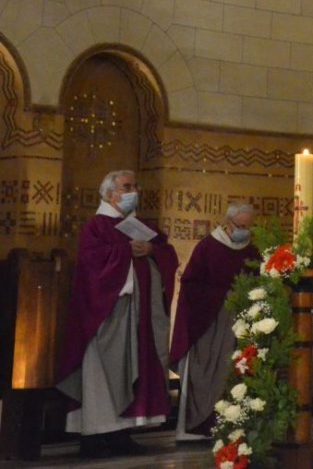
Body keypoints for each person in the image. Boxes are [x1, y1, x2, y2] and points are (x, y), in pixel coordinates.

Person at [57, 170, 178, 459]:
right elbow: (90, 264)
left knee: (132, 373)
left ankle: (122, 435)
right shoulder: (96, 227)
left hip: (138, 315)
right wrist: (125, 252)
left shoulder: (139, 225)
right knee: (100, 376)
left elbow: (168, 254)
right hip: (106, 314)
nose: (134, 190)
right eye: (127, 186)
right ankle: (95, 438)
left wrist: (151, 249)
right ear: (109, 193)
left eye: (135, 185)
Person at [169, 202, 258, 441]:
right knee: (206, 375)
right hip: (208, 322)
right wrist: (223, 296)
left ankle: (232, 425)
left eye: (248, 227)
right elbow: (190, 284)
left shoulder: (251, 251)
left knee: (233, 374)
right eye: (240, 226)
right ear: (228, 224)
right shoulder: (208, 247)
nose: (244, 231)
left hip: (239, 325)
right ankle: (199, 426)